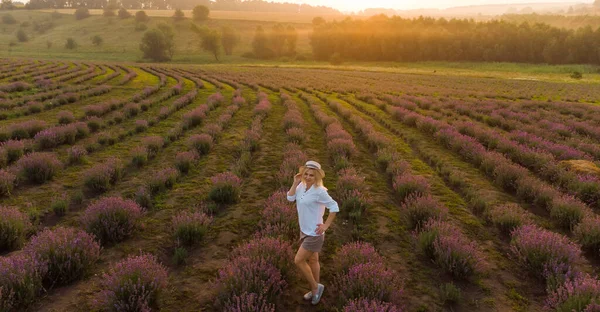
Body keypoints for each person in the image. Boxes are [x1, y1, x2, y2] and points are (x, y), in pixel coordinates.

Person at [287, 160, 339, 305]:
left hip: (315, 234)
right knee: (313, 260)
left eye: (311, 175)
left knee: (298, 260)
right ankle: (316, 286)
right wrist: (295, 182)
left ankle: (315, 288)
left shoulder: (320, 191)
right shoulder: (301, 186)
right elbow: (290, 198)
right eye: (306, 174)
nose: (308, 177)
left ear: (317, 177)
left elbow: (334, 207)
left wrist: (325, 226)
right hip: (304, 230)